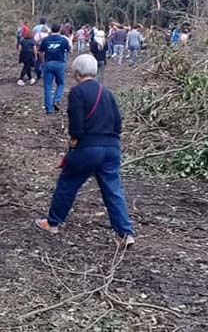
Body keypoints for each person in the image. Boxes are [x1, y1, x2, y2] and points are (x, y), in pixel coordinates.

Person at [35, 54, 134, 248]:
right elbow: (118, 123)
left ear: (77, 73)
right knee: (113, 190)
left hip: (89, 148)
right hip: (112, 149)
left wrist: (74, 141)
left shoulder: (77, 92)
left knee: (68, 183)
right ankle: (125, 233)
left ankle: (53, 223)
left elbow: (77, 124)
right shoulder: (107, 93)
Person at [38, 22, 71, 114]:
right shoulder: (63, 40)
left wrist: (42, 62)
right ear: (60, 29)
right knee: (60, 83)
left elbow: (40, 52)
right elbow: (68, 51)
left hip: (48, 64)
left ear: (51, 29)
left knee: (48, 87)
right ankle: (56, 99)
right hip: (60, 64)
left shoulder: (45, 40)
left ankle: (49, 109)